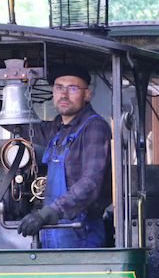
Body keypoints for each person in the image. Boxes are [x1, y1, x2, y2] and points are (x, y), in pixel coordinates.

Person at [15, 65, 112, 248]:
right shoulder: (58, 128)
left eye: (72, 88)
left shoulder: (94, 127)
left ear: (86, 94)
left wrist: (49, 212)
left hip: (81, 230)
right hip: (54, 226)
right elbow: (26, 128)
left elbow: (91, 182)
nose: (64, 94)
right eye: (59, 87)